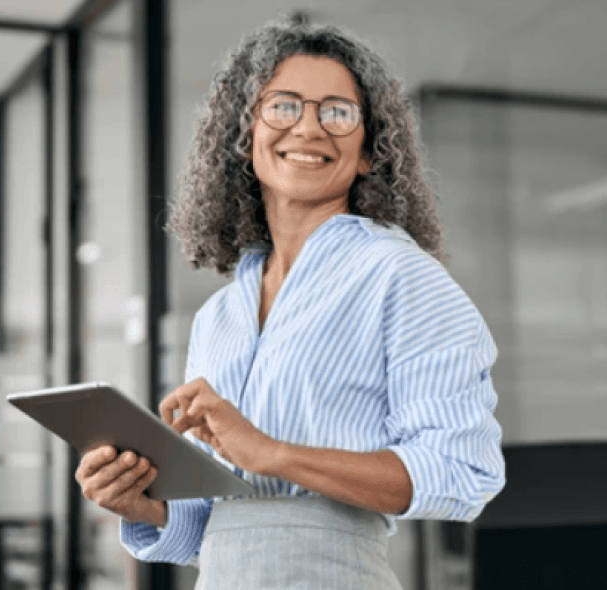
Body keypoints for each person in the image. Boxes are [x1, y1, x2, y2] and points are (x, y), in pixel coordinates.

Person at [74, 16, 506, 589]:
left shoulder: (402, 278)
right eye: (282, 106)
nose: (308, 128)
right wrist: (142, 504)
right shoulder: (219, 317)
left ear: (369, 152)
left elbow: (462, 473)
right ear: (244, 137)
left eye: (337, 112)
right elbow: (223, 523)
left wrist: (271, 453)